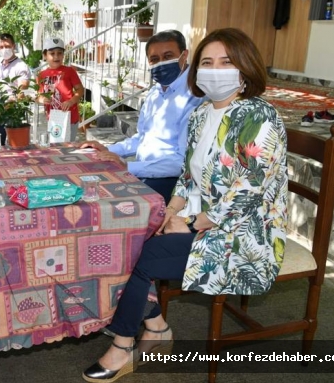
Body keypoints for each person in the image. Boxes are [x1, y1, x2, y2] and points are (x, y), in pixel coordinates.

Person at [81, 28, 288, 383]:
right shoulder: (201, 114)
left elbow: (247, 191)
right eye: (207, 62)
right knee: (129, 239)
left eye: (226, 61)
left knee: (140, 257)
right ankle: (156, 329)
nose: (215, 69)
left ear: (245, 69)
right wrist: (172, 212)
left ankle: (123, 342)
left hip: (245, 236)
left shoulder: (258, 116)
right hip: (206, 220)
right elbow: (188, 177)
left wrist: (191, 223)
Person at [79, 30, 204, 204]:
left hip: (172, 182)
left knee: (108, 202)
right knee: (86, 181)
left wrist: (129, 167)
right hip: (145, 172)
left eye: (168, 56)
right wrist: (108, 150)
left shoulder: (194, 98)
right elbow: (141, 139)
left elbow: (182, 163)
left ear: (184, 56)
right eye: (154, 59)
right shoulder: (155, 93)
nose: (161, 63)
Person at [37, 37, 84, 142]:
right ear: (45, 55)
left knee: (68, 146)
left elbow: (80, 90)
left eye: (59, 53)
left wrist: (71, 101)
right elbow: (38, 95)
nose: (56, 56)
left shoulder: (70, 71)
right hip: (53, 118)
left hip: (70, 117)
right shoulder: (41, 75)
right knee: (56, 147)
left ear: (63, 54)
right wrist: (41, 99)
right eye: (52, 53)